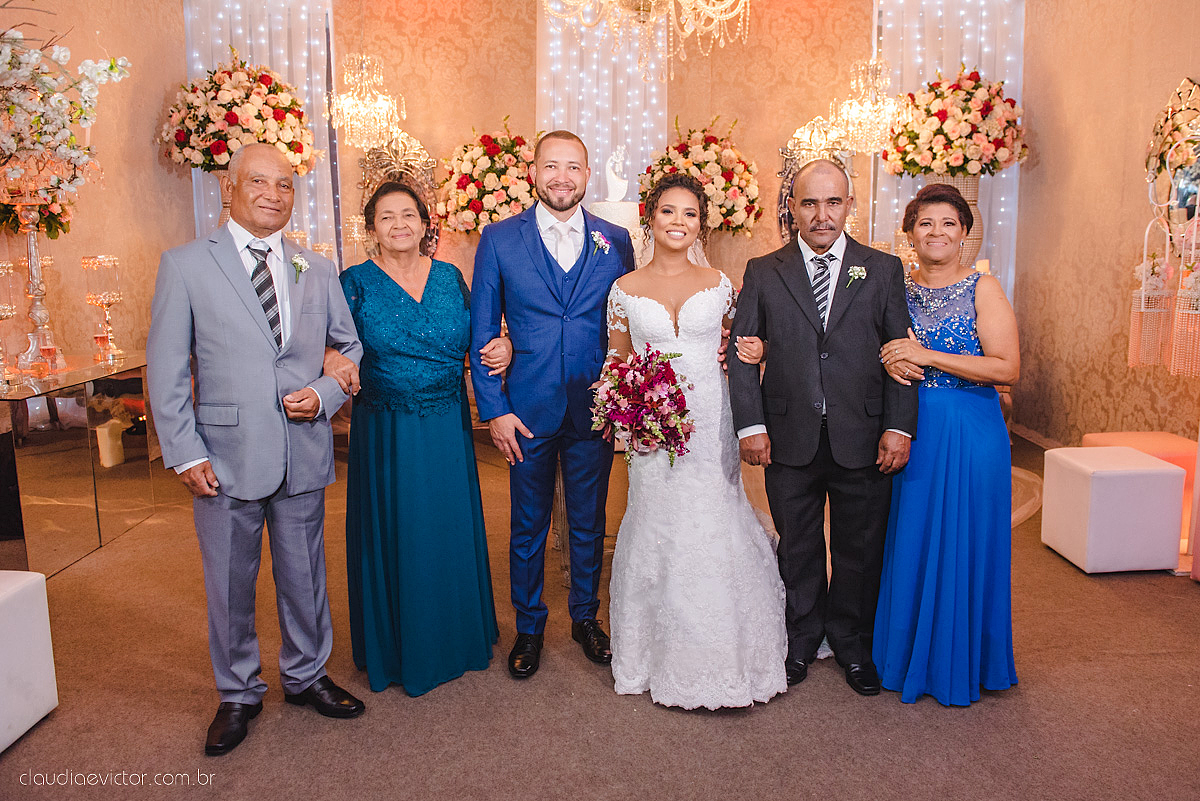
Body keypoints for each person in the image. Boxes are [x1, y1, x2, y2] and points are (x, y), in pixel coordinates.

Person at [147, 143, 366, 757]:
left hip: (301, 449)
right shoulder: (186, 264)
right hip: (222, 454)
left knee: (306, 576)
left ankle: (306, 675)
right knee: (229, 582)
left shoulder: (316, 268)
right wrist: (185, 452)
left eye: (286, 185)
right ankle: (238, 691)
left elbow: (349, 349)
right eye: (259, 182)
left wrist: (324, 394)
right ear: (229, 188)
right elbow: (166, 369)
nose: (273, 194)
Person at [727, 159, 918, 696]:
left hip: (864, 434)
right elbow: (742, 356)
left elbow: (899, 353)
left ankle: (853, 643)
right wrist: (750, 426)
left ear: (850, 206)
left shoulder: (881, 269)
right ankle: (803, 638)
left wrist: (899, 428)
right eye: (810, 202)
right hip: (789, 437)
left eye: (833, 203)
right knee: (799, 545)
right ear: (792, 206)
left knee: (860, 548)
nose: (822, 214)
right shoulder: (764, 270)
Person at [605, 173, 787, 709]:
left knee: (714, 514)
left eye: (689, 213)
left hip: (711, 417)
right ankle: (651, 654)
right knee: (656, 520)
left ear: (700, 223)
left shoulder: (720, 284)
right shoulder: (625, 289)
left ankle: (730, 651)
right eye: (668, 211)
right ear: (651, 219)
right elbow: (616, 360)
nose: (679, 222)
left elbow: (741, 347)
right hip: (651, 427)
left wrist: (748, 352)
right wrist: (629, 413)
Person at [470, 130, 635, 679]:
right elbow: (482, 329)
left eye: (573, 167)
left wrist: (624, 396)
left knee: (589, 523)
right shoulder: (498, 239)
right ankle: (531, 626)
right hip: (526, 410)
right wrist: (494, 408)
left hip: (594, 408)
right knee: (528, 525)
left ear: (587, 175)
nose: (562, 177)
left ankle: (585, 617)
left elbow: (624, 322)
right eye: (551, 166)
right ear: (533, 173)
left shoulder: (615, 238)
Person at [337, 181, 511, 696]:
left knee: (445, 525)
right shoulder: (354, 284)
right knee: (398, 527)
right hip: (385, 429)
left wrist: (503, 343)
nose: (399, 225)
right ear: (372, 230)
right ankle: (400, 643)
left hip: (446, 424)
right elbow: (331, 341)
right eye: (386, 217)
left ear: (424, 223)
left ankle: (455, 634)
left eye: (408, 215)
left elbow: (482, 334)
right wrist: (330, 357)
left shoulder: (451, 277)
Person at [873, 183, 1020, 705]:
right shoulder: (896, 287)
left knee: (965, 539)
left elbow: (1007, 367)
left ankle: (964, 659)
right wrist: (893, 359)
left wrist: (928, 355)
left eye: (949, 224)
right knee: (910, 535)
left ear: (964, 234)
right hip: (911, 427)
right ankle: (903, 653)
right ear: (910, 233)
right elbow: (874, 349)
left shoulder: (984, 288)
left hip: (971, 430)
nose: (936, 232)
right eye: (926, 223)